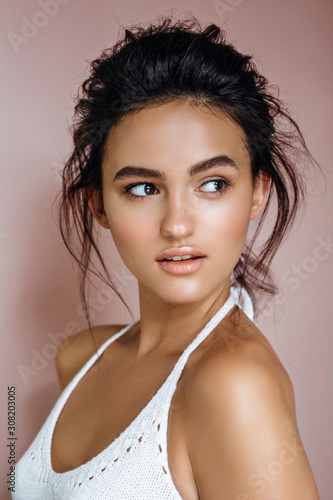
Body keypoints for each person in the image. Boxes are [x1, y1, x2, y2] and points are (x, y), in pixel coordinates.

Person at [13, 15, 321, 499]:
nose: (176, 224)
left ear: (258, 192)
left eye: (213, 184)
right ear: (99, 204)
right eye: (143, 187)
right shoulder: (79, 357)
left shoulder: (233, 383)